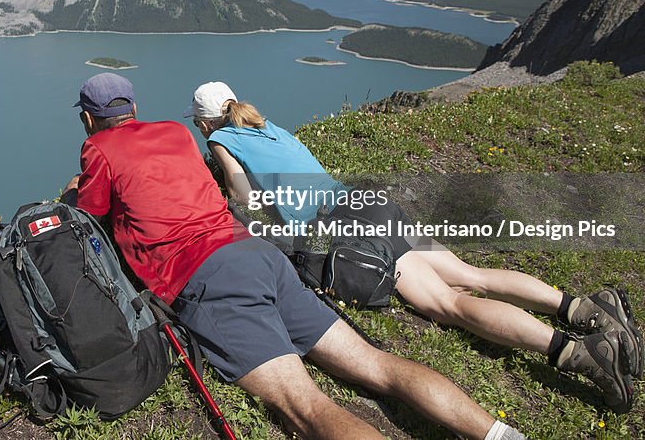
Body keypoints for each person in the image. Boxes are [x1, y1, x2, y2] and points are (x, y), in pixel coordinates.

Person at [62, 72, 527, 440]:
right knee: (375, 365)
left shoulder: (97, 147)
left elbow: (89, 217)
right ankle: (500, 434)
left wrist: (76, 188)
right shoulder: (176, 133)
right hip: (260, 254)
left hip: (206, 277)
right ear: (136, 109)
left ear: (87, 119)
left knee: (307, 408)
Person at [185, 80, 640, 415]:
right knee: (468, 274)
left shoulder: (222, 138)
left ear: (205, 122)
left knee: (449, 303)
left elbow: (244, 197)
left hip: (343, 221)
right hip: (366, 201)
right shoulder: (269, 126)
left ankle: (582, 353)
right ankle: (585, 310)